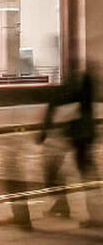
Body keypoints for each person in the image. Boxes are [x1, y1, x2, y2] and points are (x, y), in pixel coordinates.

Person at [40, 67, 100, 224]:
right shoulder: (80, 88)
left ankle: (95, 215)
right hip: (76, 134)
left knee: (67, 171)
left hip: (76, 135)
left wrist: (45, 130)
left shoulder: (77, 90)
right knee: (59, 170)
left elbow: (58, 109)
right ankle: (62, 204)